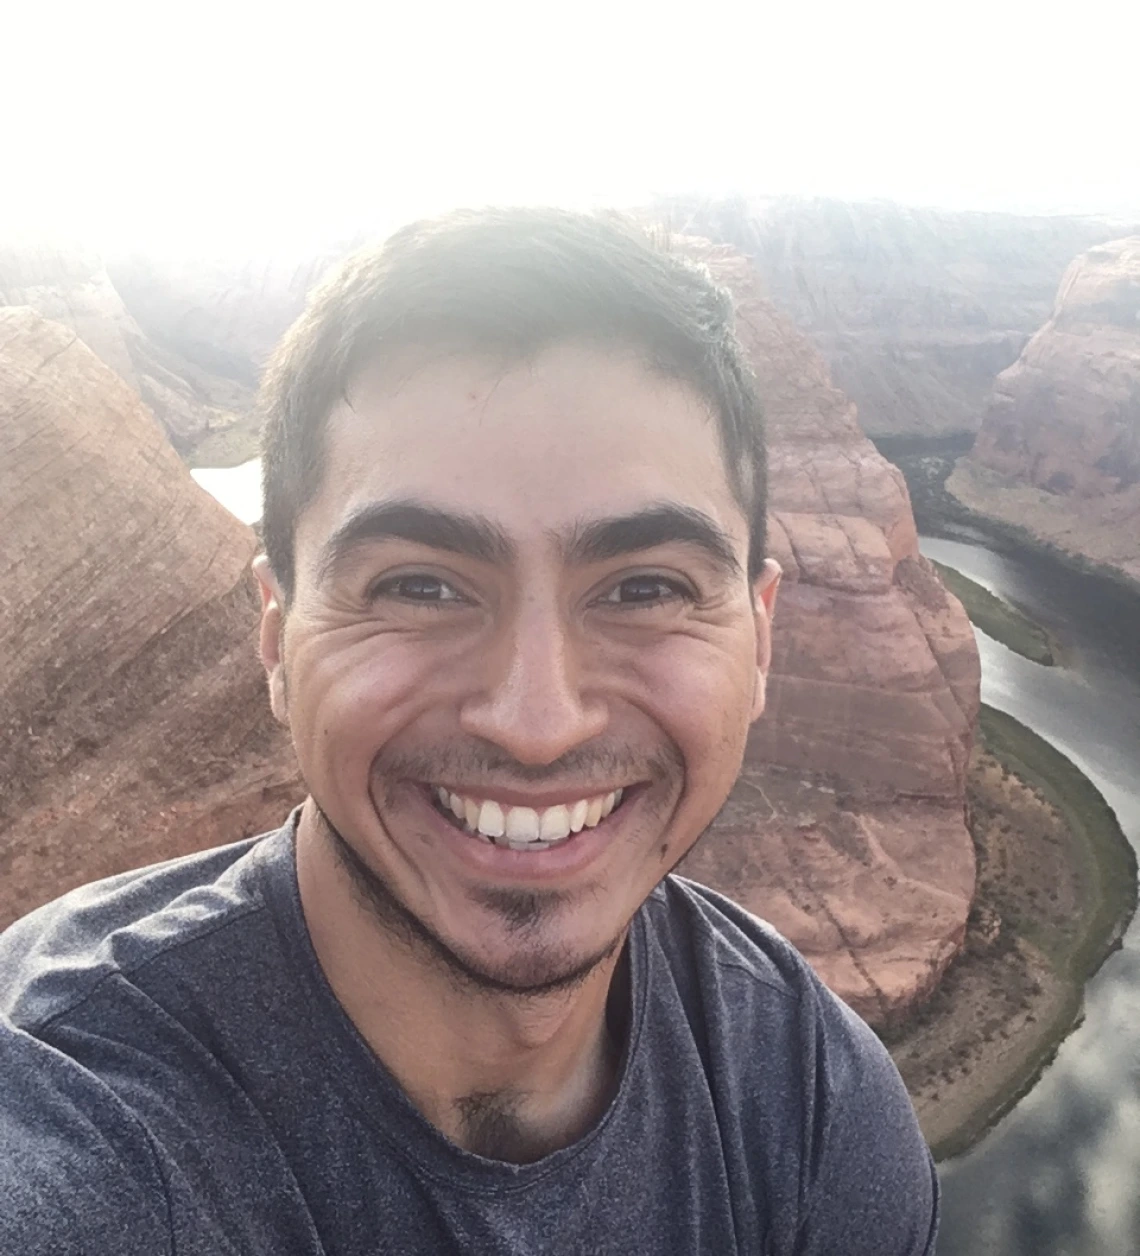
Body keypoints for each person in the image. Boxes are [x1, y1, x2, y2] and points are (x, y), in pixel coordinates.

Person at [0, 208, 938, 1254]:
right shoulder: (82, 1137)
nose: (537, 721)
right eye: (420, 583)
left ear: (759, 640)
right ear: (275, 634)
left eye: (643, 586)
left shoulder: (807, 1100)